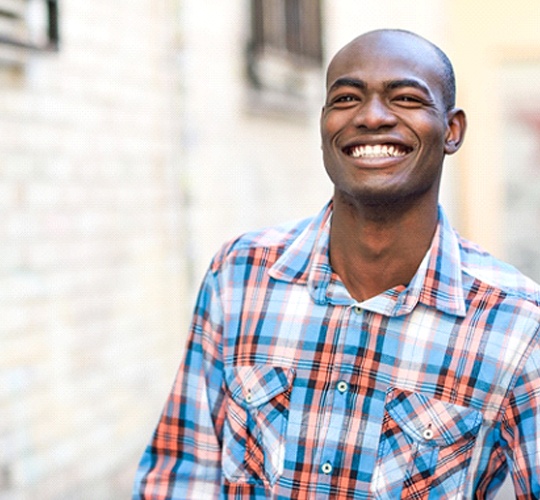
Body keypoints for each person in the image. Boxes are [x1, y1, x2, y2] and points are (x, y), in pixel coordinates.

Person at [133, 29, 540, 499]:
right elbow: (183, 471)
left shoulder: (517, 325)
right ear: (324, 125)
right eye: (346, 98)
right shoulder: (241, 275)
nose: (371, 116)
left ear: (452, 131)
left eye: (406, 97)